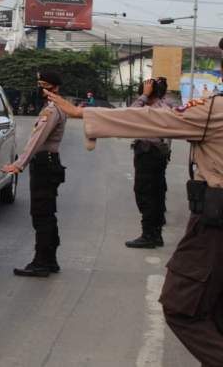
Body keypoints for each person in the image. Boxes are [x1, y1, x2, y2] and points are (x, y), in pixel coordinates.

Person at [45, 44, 223, 366]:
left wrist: (85, 112)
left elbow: (155, 120)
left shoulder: (215, 109)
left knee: (181, 306)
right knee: (213, 311)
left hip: (215, 227)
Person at [1, 70, 67, 278]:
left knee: (41, 214)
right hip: (48, 164)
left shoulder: (52, 110)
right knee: (47, 213)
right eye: (39, 84)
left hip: (45, 164)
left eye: (44, 85)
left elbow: (37, 141)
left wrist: (19, 164)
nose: (40, 88)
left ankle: (41, 263)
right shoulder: (56, 107)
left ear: (55, 88)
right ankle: (50, 260)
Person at [126, 77, 173, 249]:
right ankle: (156, 234)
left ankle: (148, 235)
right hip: (157, 154)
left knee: (145, 194)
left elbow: (128, 114)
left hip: (148, 154)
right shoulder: (164, 106)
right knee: (157, 195)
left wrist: (143, 96)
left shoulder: (152, 109)